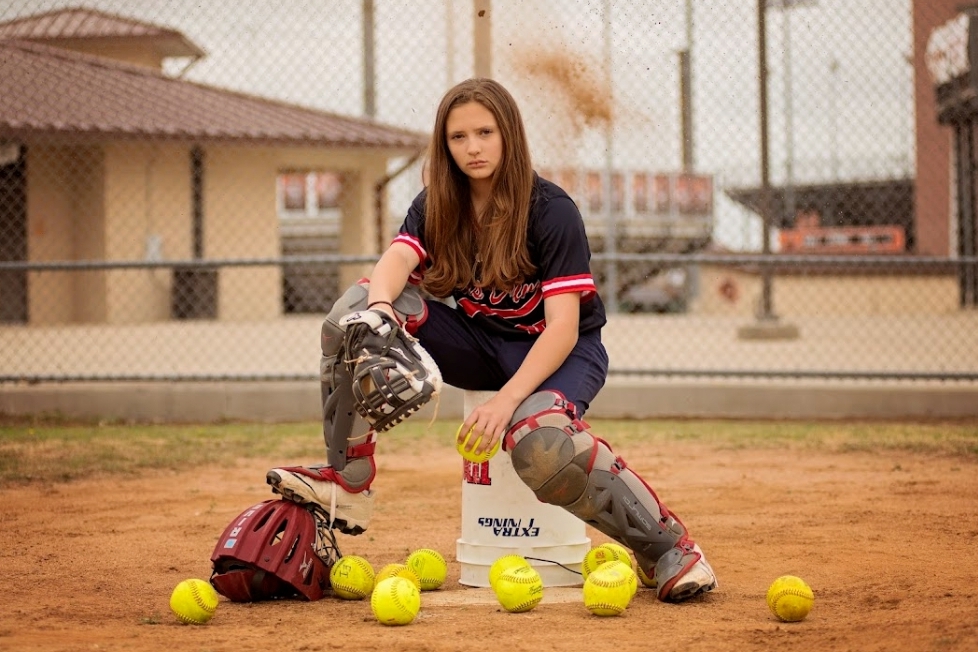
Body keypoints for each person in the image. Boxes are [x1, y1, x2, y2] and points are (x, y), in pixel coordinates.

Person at [266, 78, 717, 602]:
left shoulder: (551, 209)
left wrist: (506, 403)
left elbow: (564, 327)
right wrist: (383, 309)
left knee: (541, 444)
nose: (473, 147)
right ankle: (350, 480)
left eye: (485, 132)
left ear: (509, 135)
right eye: (458, 137)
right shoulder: (438, 204)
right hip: (481, 344)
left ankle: (669, 550)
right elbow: (397, 259)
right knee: (356, 311)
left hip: (562, 352)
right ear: (445, 145)